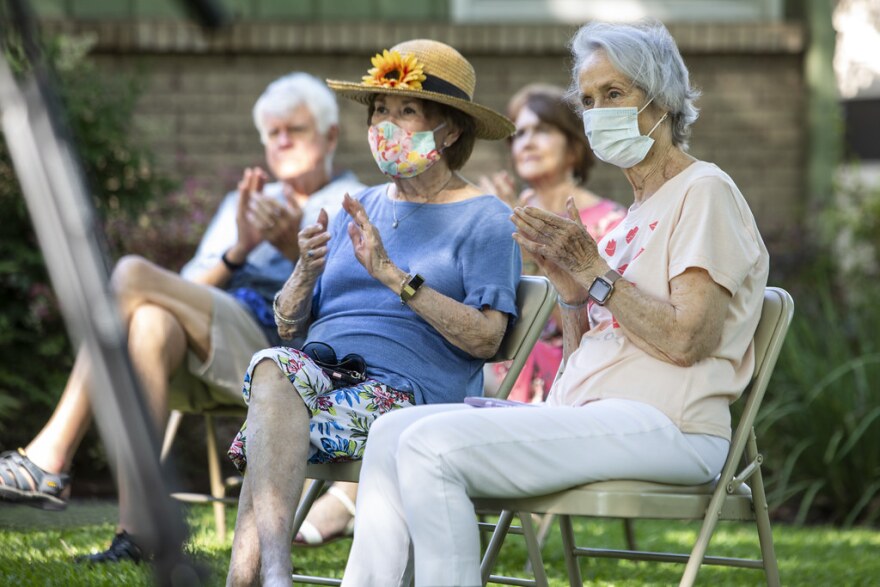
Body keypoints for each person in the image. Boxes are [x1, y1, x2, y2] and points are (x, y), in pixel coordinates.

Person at [340, 19, 770, 587]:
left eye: (614, 94)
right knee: (393, 432)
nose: (597, 112)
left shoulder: (704, 191)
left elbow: (689, 340)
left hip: (671, 426)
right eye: (588, 100)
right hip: (595, 415)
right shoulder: (636, 212)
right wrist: (571, 294)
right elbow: (584, 359)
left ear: (662, 100)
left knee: (430, 448)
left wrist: (594, 270)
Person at [0, 72, 365, 563]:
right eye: (271, 133)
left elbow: (349, 308)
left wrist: (288, 249)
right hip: (211, 345)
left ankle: (49, 454)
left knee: (129, 272)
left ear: (330, 136)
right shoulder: (247, 203)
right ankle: (139, 532)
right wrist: (239, 249)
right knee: (151, 318)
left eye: (293, 130)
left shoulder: (354, 204)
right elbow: (186, 289)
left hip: (283, 355)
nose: (280, 142)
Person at [223, 39, 521, 586]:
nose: (386, 123)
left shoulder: (487, 220)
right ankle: (273, 572)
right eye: (379, 110)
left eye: (406, 111)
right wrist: (303, 274)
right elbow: (291, 329)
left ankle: (262, 575)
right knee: (274, 369)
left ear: (450, 130)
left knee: (272, 407)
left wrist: (393, 276)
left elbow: (486, 340)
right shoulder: (355, 208)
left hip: (407, 400)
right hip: (319, 383)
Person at [481, 84, 625, 402]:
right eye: (518, 134)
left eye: (542, 130)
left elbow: (594, 327)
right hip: (503, 358)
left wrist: (527, 249)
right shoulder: (506, 211)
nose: (527, 141)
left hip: (570, 371)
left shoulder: (612, 223)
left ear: (574, 146)